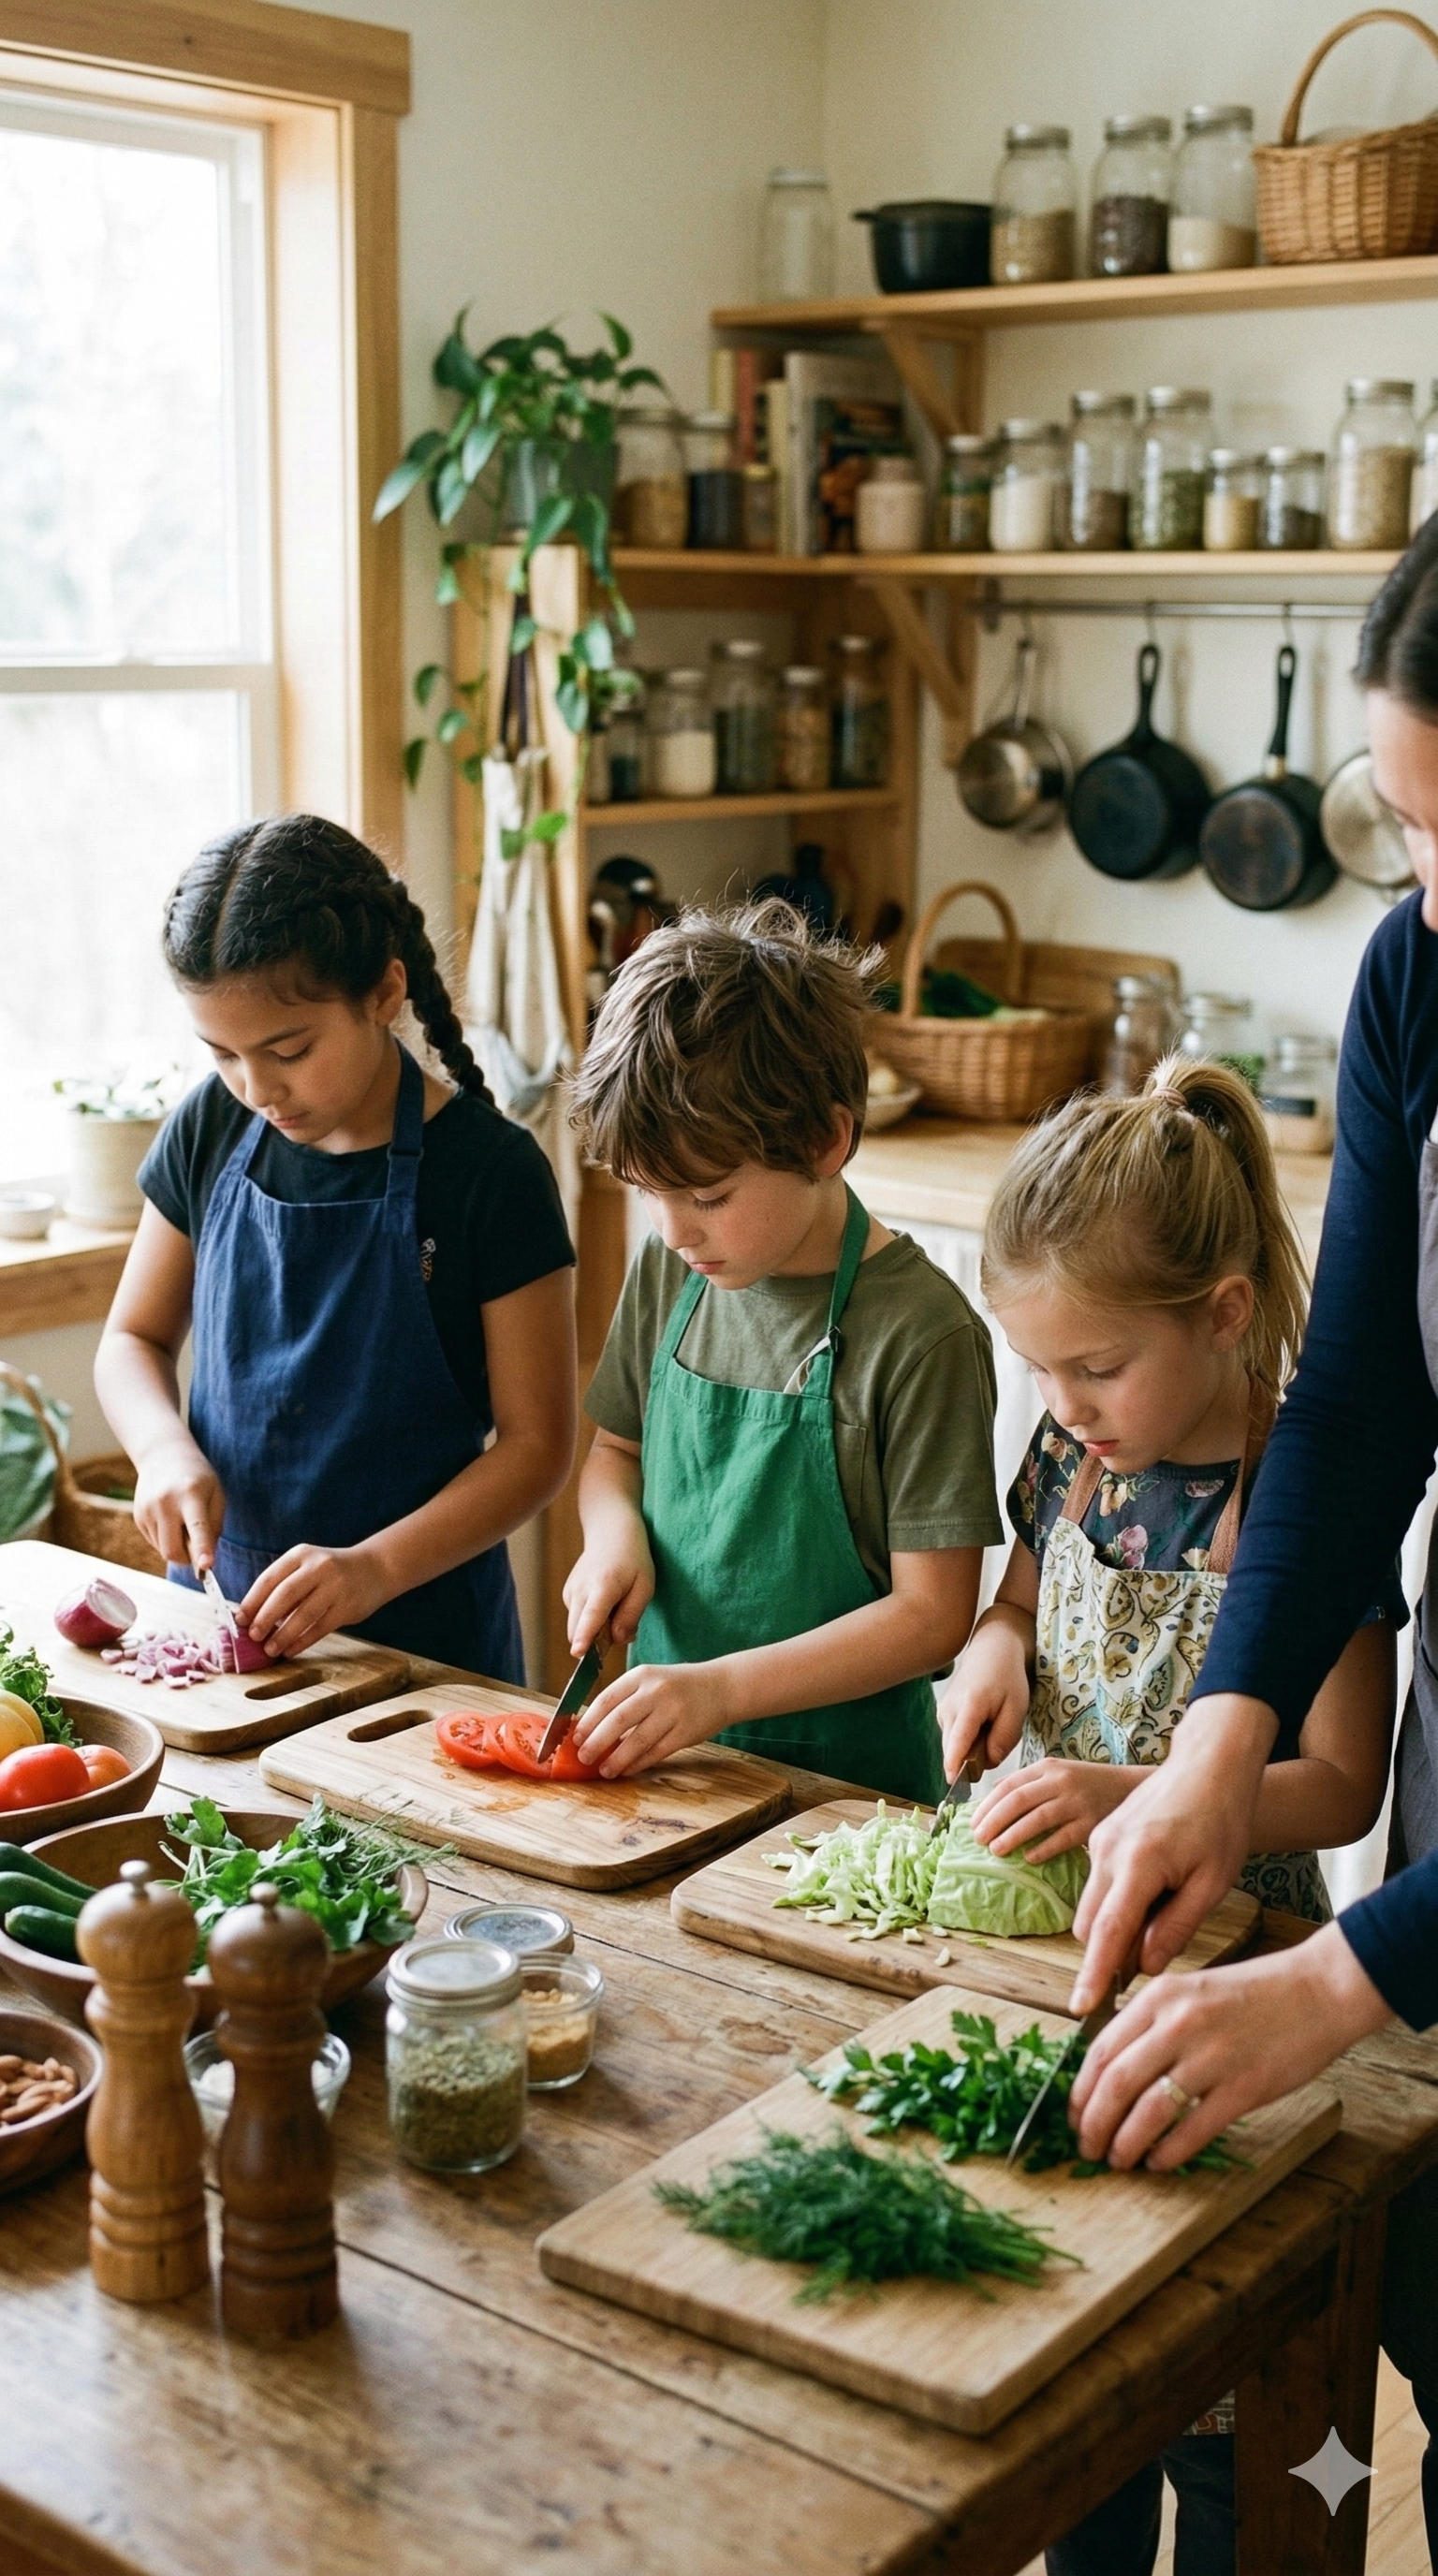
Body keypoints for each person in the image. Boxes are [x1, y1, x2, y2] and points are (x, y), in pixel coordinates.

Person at [1058, 520, 1438, 2563]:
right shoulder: (1419, 978)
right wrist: (1216, 1736)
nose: (1435, 893)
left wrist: (1348, 1969)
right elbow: (1363, 1399)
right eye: (1411, 823)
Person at [935, 1052, 1397, 2576]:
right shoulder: (1076, 1451)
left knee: (1216, 2405)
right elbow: (1009, 1605)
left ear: (1222, 1310)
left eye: (1095, 1366)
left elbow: (1342, 1779)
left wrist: (1130, 1787)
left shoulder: (1302, 1489)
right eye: (1044, 1371)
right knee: (1078, 2382)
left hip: (1239, 1989)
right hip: (1064, 1967)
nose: (1065, 1405)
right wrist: (991, 1657)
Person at [95, 812, 576, 1675]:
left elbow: (536, 1449)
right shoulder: (210, 1128)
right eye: (223, 1055)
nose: (256, 1087)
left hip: (422, 1650)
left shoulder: (488, 1172)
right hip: (217, 1623)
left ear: (385, 995)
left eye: (288, 1050)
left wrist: (373, 1569)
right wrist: (162, 1450)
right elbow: (132, 1339)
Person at [561, 900, 1001, 1795]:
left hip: (849, 1797)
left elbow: (932, 1617)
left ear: (825, 1140)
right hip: (672, 1767)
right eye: (648, 1192)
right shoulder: (668, 1270)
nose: (675, 1227)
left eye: (709, 1195)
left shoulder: (923, 1333)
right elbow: (615, 1454)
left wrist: (720, 1690)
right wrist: (612, 1540)